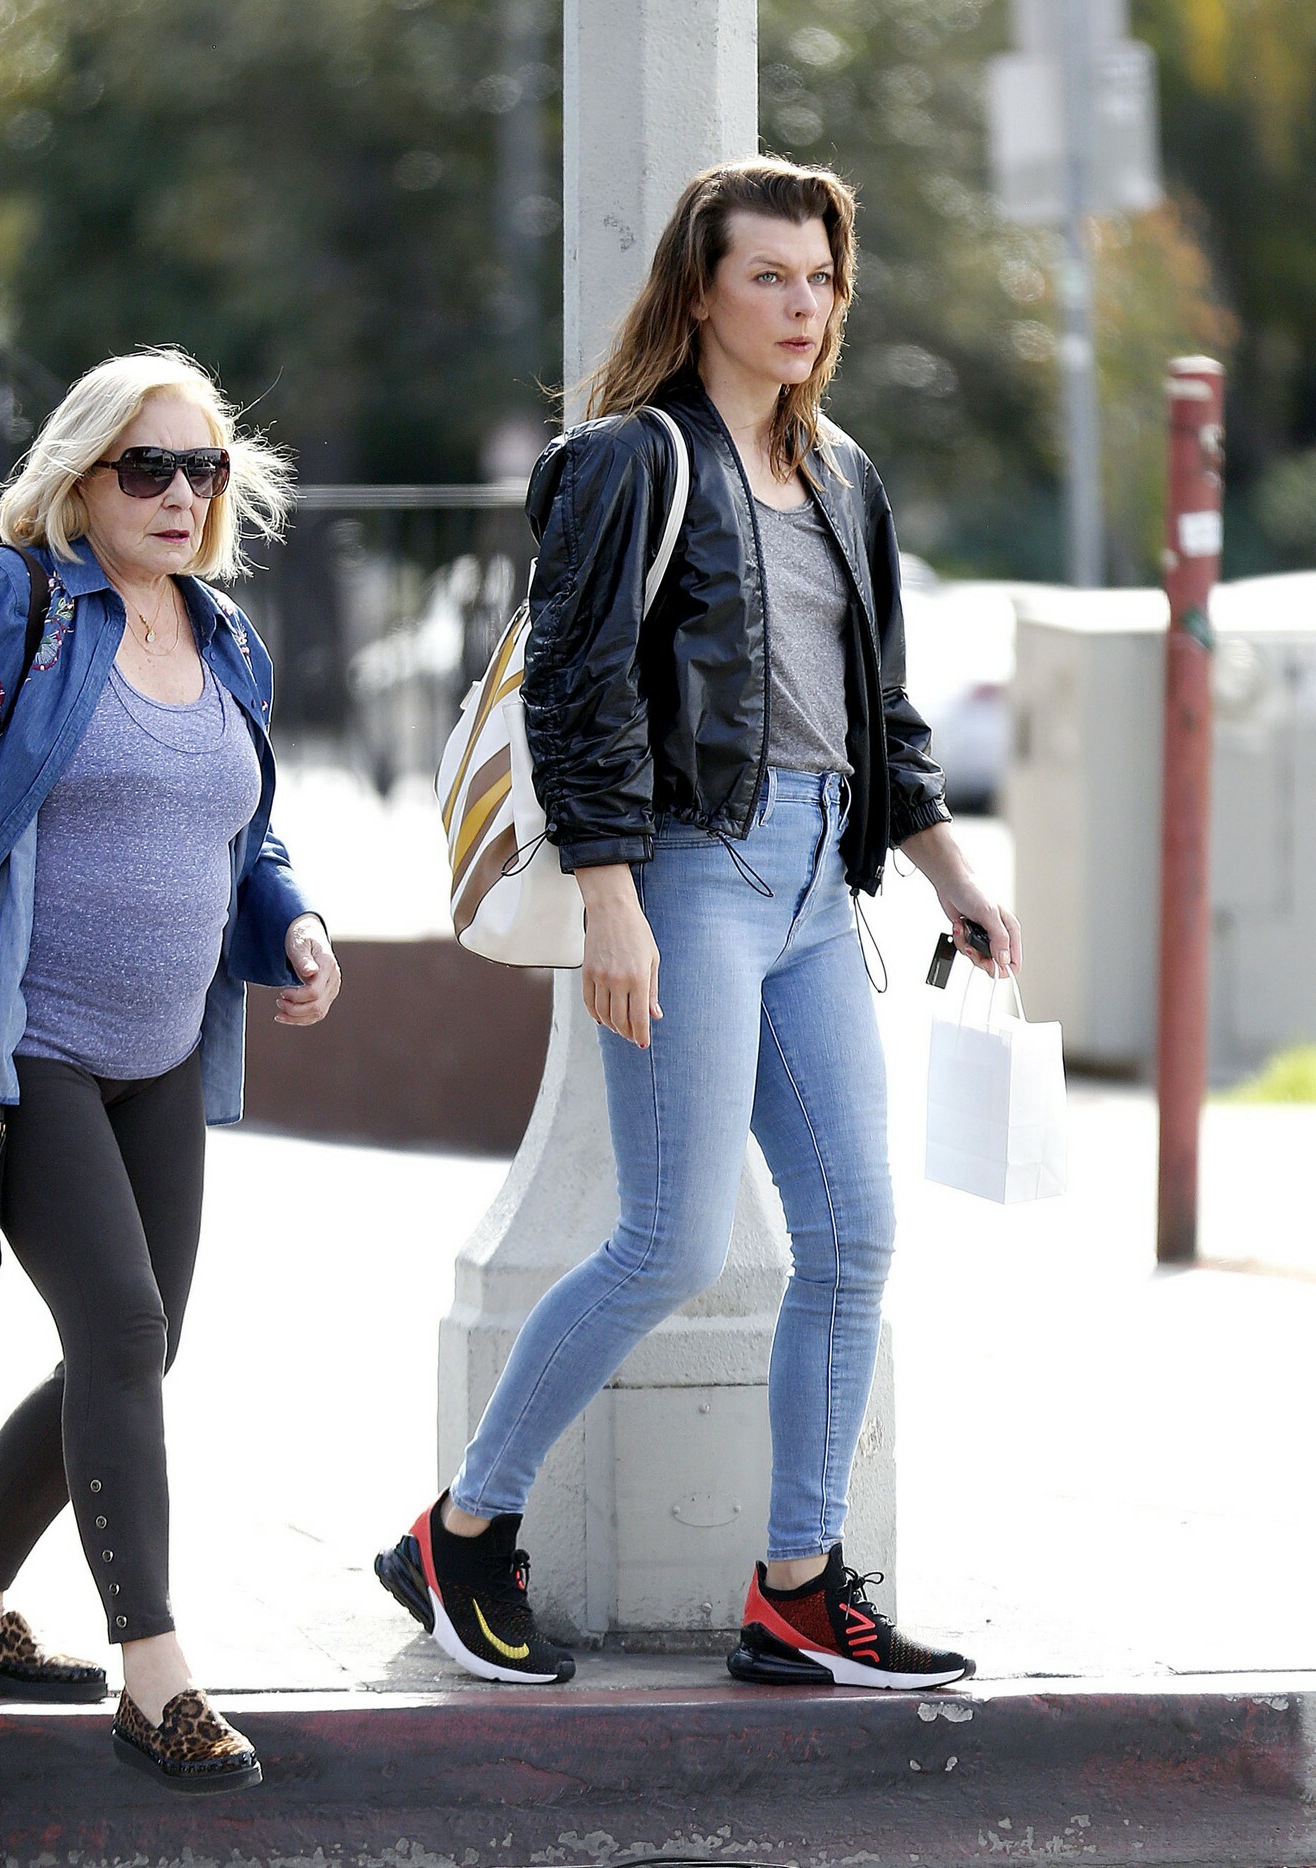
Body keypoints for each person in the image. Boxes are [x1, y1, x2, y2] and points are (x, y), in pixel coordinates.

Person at [377, 158, 1019, 1690]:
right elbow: (579, 687)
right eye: (768, 277)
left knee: (853, 1238)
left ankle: (798, 1588)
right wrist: (613, 897)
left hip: (817, 887)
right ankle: (463, 1531)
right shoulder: (628, 463)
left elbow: (880, 707)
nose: (802, 306)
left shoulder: (842, 475)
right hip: (686, 875)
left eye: (821, 279)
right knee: (669, 1242)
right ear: (700, 292)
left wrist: (947, 869)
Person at [0, 348, 339, 1792]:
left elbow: (240, 824)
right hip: (23, 1049)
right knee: (118, 1332)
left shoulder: (223, 633)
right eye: (147, 466)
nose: (180, 495)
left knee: (134, 1348)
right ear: (80, 473)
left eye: (203, 469)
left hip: (161, 1053)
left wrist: (289, 921)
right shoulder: (14, 606)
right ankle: (155, 1675)